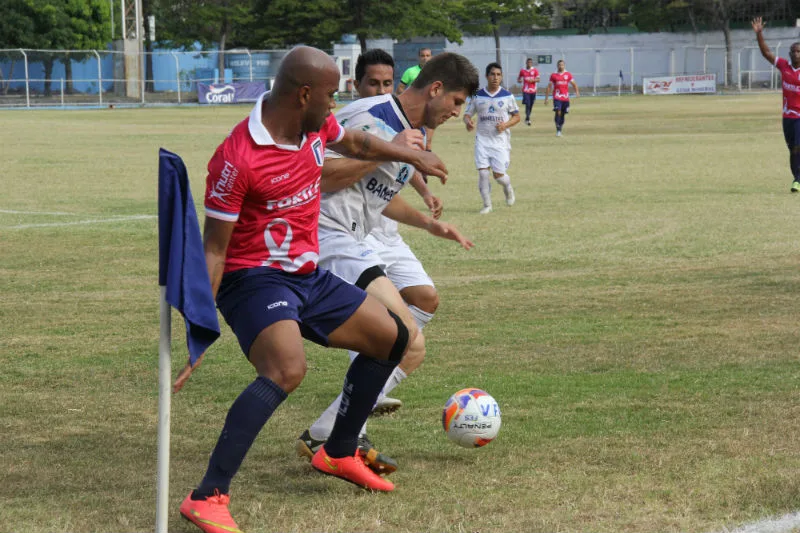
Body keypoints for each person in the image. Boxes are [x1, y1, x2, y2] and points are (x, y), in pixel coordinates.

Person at [178, 45, 451, 533]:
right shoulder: (237, 158)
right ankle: (208, 495)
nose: (336, 105)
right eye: (329, 96)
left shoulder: (313, 124)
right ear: (303, 94)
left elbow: (359, 145)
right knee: (286, 369)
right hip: (252, 278)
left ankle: (339, 449)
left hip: (306, 274)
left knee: (394, 338)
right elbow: (214, 251)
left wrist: (410, 155)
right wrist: (197, 328)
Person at [296, 51, 480, 473]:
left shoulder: (410, 130)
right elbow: (316, 173)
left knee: (409, 346)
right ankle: (335, 437)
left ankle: (329, 433)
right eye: (455, 102)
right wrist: (388, 153)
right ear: (435, 90)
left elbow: (378, 193)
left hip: (352, 237)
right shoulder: (371, 115)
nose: (456, 113)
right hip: (323, 233)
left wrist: (428, 224)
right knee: (404, 337)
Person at [463, 62, 520, 215]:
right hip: (482, 140)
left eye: (498, 75)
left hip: (500, 142)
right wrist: (468, 122)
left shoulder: (507, 96)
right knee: (482, 173)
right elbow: (467, 114)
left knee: (499, 177)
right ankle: (487, 205)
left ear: (501, 77)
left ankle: (508, 188)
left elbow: (517, 116)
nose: (495, 78)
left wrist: (505, 125)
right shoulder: (477, 95)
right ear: (487, 76)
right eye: (492, 74)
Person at [752, 16, 800, 192]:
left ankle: (798, 180)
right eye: (793, 51)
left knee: (797, 147)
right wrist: (759, 34)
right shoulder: (784, 66)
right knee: (792, 150)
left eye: (798, 51)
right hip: (787, 117)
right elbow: (766, 53)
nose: (795, 53)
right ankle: (797, 177)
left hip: (799, 117)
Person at [544, 59, 579, 137]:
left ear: (564, 66)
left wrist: (577, 92)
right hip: (557, 97)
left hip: (565, 98)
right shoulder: (553, 75)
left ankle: (560, 129)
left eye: (562, 65)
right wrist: (546, 98)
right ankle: (558, 130)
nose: (561, 66)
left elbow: (574, 84)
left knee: (563, 114)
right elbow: (549, 87)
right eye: (559, 65)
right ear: (557, 66)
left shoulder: (568, 74)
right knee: (558, 111)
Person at [517, 57, 540, 126]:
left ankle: (527, 118)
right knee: (527, 104)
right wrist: (519, 81)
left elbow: (538, 79)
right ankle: (528, 118)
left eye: (530, 63)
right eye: (528, 62)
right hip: (526, 90)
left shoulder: (535, 70)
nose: (529, 64)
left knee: (531, 105)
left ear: (532, 63)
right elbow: (519, 79)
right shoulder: (523, 71)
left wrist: (533, 80)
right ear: (526, 63)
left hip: (533, 90)